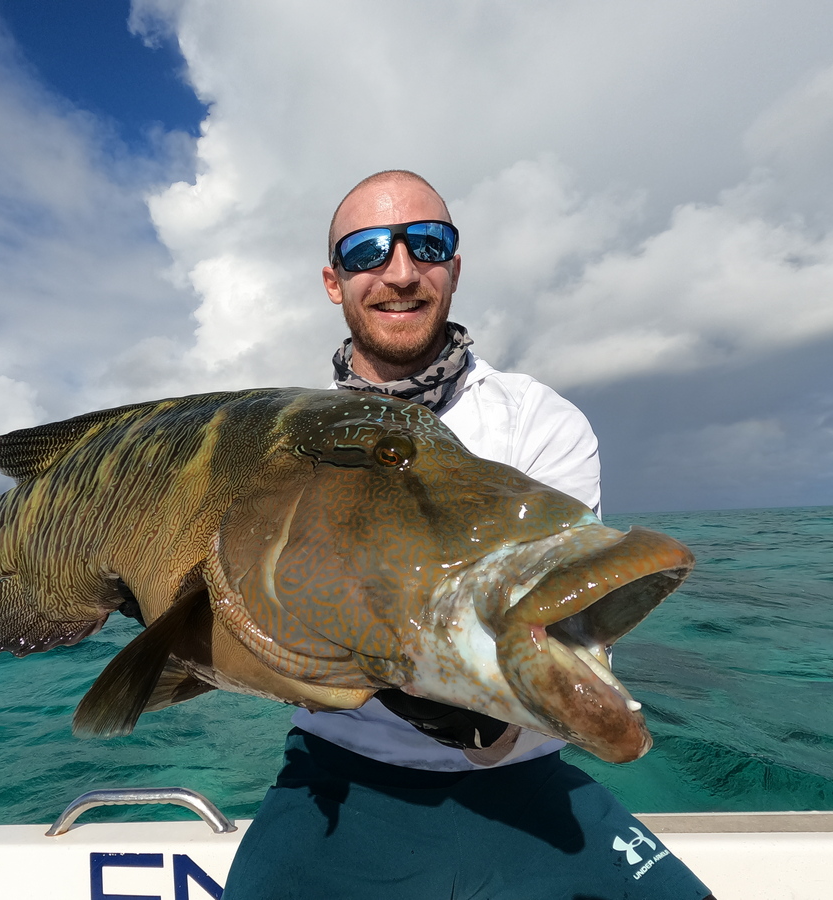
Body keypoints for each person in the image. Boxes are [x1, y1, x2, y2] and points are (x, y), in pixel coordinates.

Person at [222, 170, 714, 899]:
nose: (399, 272)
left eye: (427, 244)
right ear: (334, 281)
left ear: (453, 266)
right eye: (366, 252)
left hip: (522, 775)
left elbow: (554, 629)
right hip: (337, 771)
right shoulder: (277, 443)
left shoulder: (538, 421)